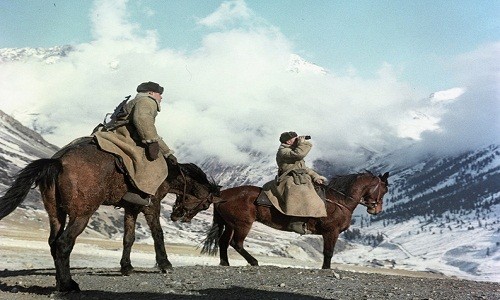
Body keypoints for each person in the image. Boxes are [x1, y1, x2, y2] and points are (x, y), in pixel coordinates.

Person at [93, 81, 176, 206]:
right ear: (151, 93)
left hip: (113, 132)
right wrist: (153, 143)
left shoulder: (137, 100)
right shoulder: (147, 101)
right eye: (159, 94)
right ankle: (137, 192)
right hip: (125, 136)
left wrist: (167, 151)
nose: (161, 97)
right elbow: (143, 120)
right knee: (156, 163)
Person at [276, 131, 327, 234]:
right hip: (290, 179)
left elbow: (304, 168)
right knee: (303, 194)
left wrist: (316, 176)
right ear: (288, 141)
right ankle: (295, 223)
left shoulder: (292, 150)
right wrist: (303, 143)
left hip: (301, 178)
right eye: (295, 139)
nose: (297, 140)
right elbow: (299, 155)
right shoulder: (283, 151)